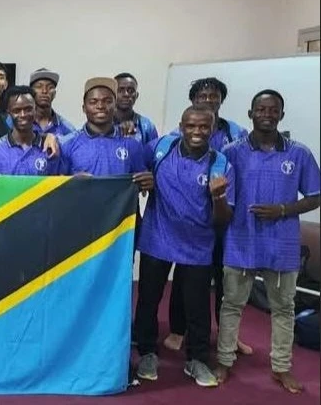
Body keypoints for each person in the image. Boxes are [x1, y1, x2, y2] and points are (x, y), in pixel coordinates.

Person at [215, 90, 320, 393]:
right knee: (231, 304)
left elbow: (315, 195)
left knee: (284, 308)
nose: (267, 114)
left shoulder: (298, 153)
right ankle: (224, 360)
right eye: (261, 109)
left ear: (281, 115)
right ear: (250, 114)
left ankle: (281, 367)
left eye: (273, 110)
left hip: (282, 244)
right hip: (240, 240)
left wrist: (284, 210)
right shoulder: (232, 152)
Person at [134, 104, 233, 388]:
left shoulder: (221, 165)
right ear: (181, 126)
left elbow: (223, 220)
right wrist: (144, 178)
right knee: (148, 300)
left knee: (197, 306)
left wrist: (218, 197)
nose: (197, 132)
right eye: (191, 126)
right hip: (158, 239)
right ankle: (147, 353)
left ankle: (198, 359)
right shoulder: (160, 148)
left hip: (198, 246)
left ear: (212, 129)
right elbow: (134, 165)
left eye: (204, 127)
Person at [165, 77, 252, 355]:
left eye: (214, 96)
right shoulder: (175, 137)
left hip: (227, 218)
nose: (208, 100)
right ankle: (179, 330)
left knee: (226, 282)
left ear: (221, 101)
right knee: (185, 278)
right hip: (191, 225)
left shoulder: (237, 133)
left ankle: (228, 336)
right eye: (202, 96)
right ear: (193, 102)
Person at [58, 77, 151, 183]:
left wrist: (148, 181)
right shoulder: (67, 144)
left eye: (107, 101)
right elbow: (56, 184)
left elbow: (142, 181)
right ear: (84, 108)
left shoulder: (131, 143)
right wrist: (71, 181)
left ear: (115, 106)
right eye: (93, 102)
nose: (100, 106)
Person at [0, 86, 64, 176]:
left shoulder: (51, 147)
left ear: (35, 109)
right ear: (9, 112)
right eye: (17, 110)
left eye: (28, 109)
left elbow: (60, 183)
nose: (23, 115)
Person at [23, 68, 76, 136]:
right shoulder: (18, 123)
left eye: (50, 87)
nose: (44, 91)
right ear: (30, 92)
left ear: (54, 94)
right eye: (39, 86)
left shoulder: (67, 129)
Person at [114, 72, 159, 144]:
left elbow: (152, 153)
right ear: (112, 94)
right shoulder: (104, 123)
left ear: (137, 95)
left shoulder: (147, 126)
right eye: (120, 90)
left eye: (130, 91)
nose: (126, 94)